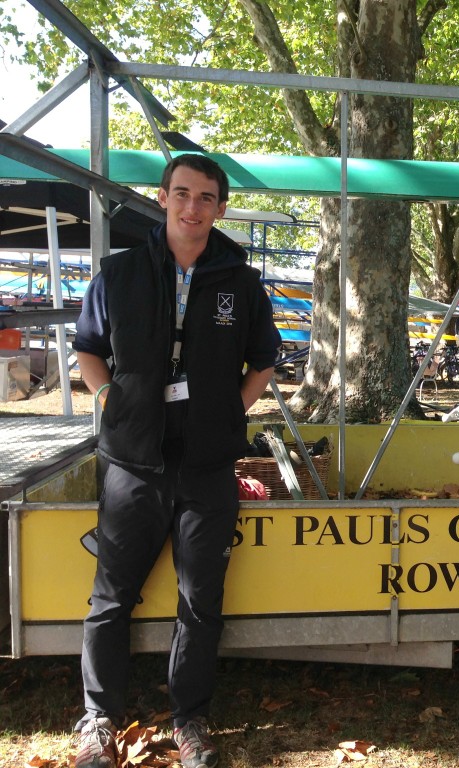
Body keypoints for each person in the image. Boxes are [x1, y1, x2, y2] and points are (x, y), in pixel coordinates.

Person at [71, 154, 282, 768]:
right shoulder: (120, 273)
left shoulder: (240, 281)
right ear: (161, 198)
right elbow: (88, 348)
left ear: (220, 207)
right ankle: (98, 722)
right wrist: (112, 399)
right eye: (182, 194)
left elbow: (263, 362)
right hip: (132, 463)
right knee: (111, 598)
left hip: (207, 466)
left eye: (207, 197)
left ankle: (190, 722)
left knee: (200, 602)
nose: (193, 208)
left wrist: (227, 414)